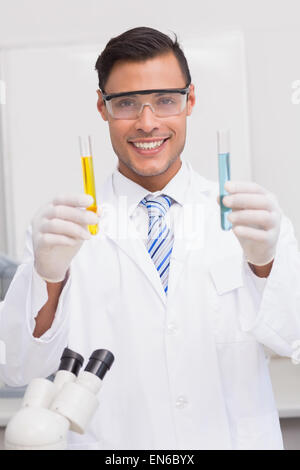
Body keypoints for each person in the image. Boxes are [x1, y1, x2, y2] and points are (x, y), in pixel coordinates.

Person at [1, 26, 300, 451]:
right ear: (102, 109)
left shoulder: (252, 218)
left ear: (189, 100)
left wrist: (263, 266)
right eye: (126, 103)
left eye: (164, 100)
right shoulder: (62, 231)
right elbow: (19, 367)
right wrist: (49, 277)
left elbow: (292, 340)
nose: (147, 123)